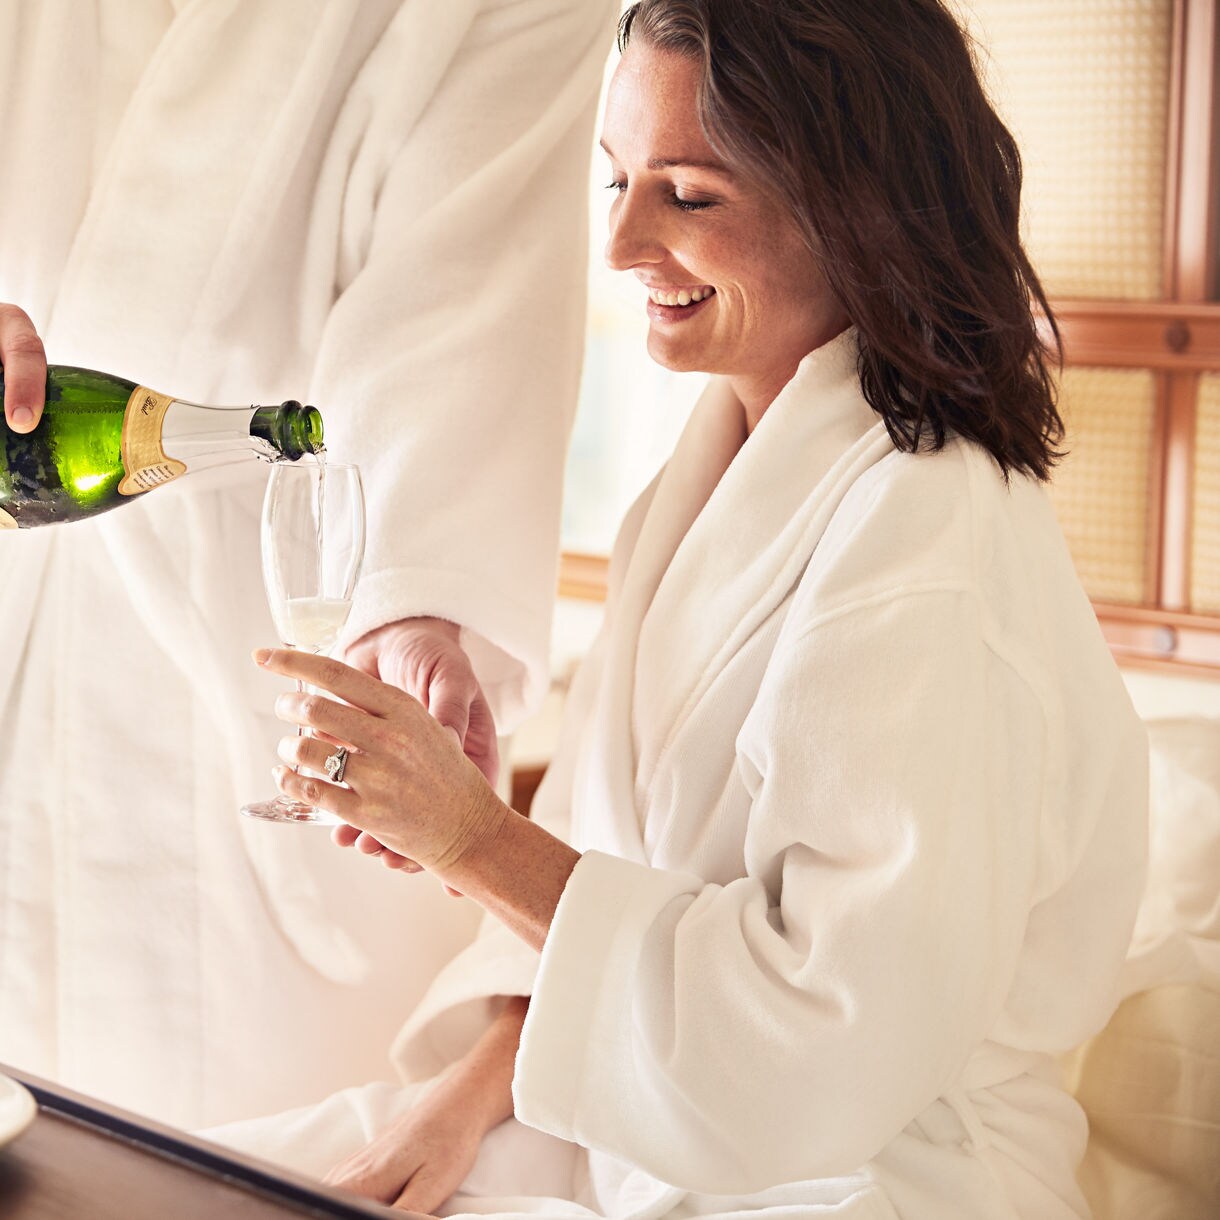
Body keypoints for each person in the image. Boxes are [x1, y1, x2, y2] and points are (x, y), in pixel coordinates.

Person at [206, 0, 1148, 1216]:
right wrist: (462, 1085)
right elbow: (618, 880)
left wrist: (475, 840)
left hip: (863, 1177)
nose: (619, 245)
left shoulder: (928, 539)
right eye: (614, 183)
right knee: (208, 1173)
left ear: (855, 206)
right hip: (649, 1122)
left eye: (688, 196)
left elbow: (824, 1038)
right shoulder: (709, 472)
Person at [0, 0, 616, 1130]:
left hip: (260, 800)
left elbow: (460, 325)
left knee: (252, 1163)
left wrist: (413, 608)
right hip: (22, 690)